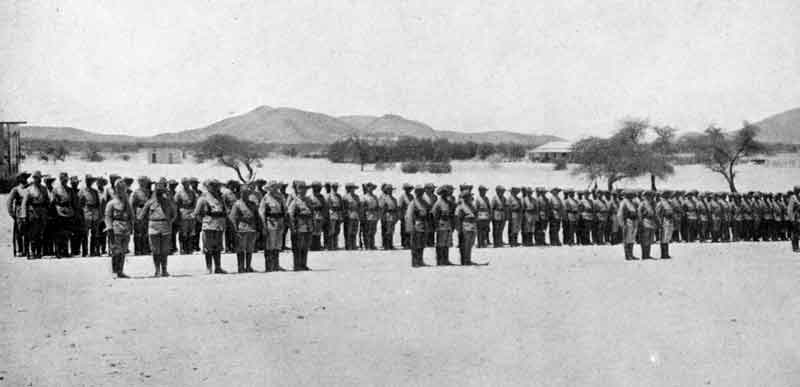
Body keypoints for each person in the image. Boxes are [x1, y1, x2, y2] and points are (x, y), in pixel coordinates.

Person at [138, 178, 177, 277]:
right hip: (153, 227)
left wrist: (170, 222)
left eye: (161, 191)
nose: (159, 193)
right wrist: (147, 223)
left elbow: (174, 214)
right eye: (158, 191)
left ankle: (164, 270)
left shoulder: (168, 202)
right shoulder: (150, 202)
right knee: (155, 251)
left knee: (164, 250)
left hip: (165, 227)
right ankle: (157, 270)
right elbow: (141, 216)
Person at [193, 179, 228, 274]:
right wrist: (204, 222)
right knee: (208, 248)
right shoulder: (203, 198)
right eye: (213, 185)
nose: (215, 187)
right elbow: (196, 213)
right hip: (208, 226)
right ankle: (209, 268)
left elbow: (224, 211)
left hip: (219, 226)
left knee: (218, 248)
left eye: (216, 185)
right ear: (208, 187)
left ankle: (218, 267)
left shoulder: (220, 198)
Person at [104, 179, 134, 278]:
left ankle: (120, 271)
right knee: (116, 252)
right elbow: (108, 217)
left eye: (123, 189)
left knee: (123, 251)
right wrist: (109, 228)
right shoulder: (111, 203)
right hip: (115, 229)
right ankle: (114, 271)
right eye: (119, 189)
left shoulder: (127, 203)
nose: (122, 191)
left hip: (125, 229)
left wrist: (131, 227)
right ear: (116, 190)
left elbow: (131, 216)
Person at [228, 185, 260, 273]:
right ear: (240, 193)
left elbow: (257, 217)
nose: (246, 195)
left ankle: (249, 266)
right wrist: (235, 231)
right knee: (241, 249)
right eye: (244, 193)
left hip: (252, 229)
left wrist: (258, 229)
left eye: (248, 193)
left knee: (250, 249)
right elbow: (233, 218)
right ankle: (241, 267)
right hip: (241, 229)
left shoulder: (253, 204)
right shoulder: (237, 204)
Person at [259, 181, 287, 272]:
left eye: (275, 187)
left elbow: (285, 210)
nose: (274, 189)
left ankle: (276, 265)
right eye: (272, 187)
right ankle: (269, 266)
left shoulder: (281, 197)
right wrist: (264, 226)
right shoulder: (266, 198)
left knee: (278, 245)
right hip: (270, 222)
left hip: (280, 222)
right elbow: (262, 213)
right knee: (269, 245)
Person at [287, 181, 313, 271]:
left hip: (307, 226)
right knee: (297, 247)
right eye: (301, 189)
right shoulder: (294, 202)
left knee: (305, 247)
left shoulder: (308, 200)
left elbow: (311, 213)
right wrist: (293, 228)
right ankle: (297, 265)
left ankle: (303, 264)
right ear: (298, 191)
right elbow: (290, 215)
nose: (304, 191)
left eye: (305, 189)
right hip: (299, 226)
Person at [50, 173, 75, 258]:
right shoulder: (56, 189)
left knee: (67, 233)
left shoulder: (70, 190)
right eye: (63, 179)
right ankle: (58, 251)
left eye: (66, 179)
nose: (65, 181)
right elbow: (52, 202)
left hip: (69, 212)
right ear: (60, 179)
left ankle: (65, 251)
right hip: (59, 212)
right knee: (58, 233)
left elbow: (73, 202)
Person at [405, 185, 430, 267]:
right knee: (415, 245)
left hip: (424, 225)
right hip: (416, 225)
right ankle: (415, 262)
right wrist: (410, 228)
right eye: (418, 192)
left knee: (421, 245)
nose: (420, 193)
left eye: (422, 192)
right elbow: (409, 216)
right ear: (415, 193)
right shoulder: (413, 203)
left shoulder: (424, 202)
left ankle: (420, 260)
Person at [78, 175, 103, 257]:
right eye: (88, 180)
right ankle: (85, 251)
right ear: (86, 181)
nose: (89, 182)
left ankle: (92, 251)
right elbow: (80, 204)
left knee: (94, 233)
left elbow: (98, 203)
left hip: (94, 213)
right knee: (85, 233)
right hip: (86, 212)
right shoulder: (82, 191)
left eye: (91, 181)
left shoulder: (95, 191)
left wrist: (99, 214)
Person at [7, 172, 30, 257]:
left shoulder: (29, 188)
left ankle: (27, 250)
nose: (25, 180)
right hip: (19, 212)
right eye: (23, 178)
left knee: (28, 231)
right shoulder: (15, 189)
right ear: (20, 179)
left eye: (26, 178)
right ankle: (19, 250)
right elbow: (9, 202)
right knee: (19, 232)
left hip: (29, 211)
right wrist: (12, 214)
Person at [431, 185, 454, 266]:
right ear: (440, 194)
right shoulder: (438, 203)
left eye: (446, 193)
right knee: (440, 243)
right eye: (443, 193)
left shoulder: (448, 202)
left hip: (448, 224)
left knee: (446, 243)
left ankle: (446, 259)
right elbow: (434, 215)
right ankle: (440, 260)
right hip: (441, 224)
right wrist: (436, 225)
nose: (445, 194)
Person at [174, 178, 198, 254]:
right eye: (184, 183)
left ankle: (190, 249)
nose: (186, 185)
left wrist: (194, 212)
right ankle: (182, 249)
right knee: (183, 232)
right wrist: (177, 214)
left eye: (187, 183)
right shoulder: (179, 193)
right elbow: (175, 204)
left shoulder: (192, 192)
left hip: (191, 213)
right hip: (183, 213)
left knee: (191, 232)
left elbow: (195, 202)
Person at [455, 191, 479, 265]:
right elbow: (458, 218)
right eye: (468, 196)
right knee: (465, 244)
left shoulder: (472, 205)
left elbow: (475, 213)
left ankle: (468, 259)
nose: (470, 198)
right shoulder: (461, 206)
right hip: (465, 226)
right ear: (465, 198)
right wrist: (459, 229)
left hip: (472, 226)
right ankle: (465, 260)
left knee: (470, 244)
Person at [130, 176, 151, 255]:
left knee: (146, 232)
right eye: (141, 181)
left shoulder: (149, 192)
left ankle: (145, 249)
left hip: (148, 213)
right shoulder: (136, 192)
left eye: (144, 181)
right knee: (138, 233)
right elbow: (132, 204)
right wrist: (133, 216)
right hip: (139, 211)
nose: (143, 183)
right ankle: (138, 250)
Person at [617, 189, 639, 260]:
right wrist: (622, 224)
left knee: (632, 239)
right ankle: (627, 255)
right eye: (631, 195)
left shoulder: (632, 202)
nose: (632, 196)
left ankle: (631, 254)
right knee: (627, 239)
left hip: (633, 221)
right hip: (627, 222)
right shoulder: (624, 202)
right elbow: (620, 214)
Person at [307, 181, 328, 251]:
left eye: (318, 187)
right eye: (315, 187)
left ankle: (317, 245)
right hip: (313, 215)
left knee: (318, 231)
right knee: (312, 231)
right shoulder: (309, 197)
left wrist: (324, 216)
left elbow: (325, 207)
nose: (317, 189)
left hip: (320, 215)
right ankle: (311, 246)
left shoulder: (321, 197)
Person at [655, 190, 676, 259]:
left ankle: (666, 253)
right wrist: (660, 222)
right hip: (664, 221)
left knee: (667, 237)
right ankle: (663, 254)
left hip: (670, 220)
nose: (668, 196)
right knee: (663, 238)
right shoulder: (660, 203)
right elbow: (657, 214)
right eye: (667, 194)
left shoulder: (669, 202)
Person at [378, 184, 399, 250]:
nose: (390, 191)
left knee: (391, 231)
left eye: (391, 190)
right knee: (387, 231)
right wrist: (382, 216)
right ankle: (386, 245)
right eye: (388, 190)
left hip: (392, 215)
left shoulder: (394, 198)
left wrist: (396, 216)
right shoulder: (383, 198)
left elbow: (396, 208)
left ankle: (390, 244)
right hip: (386, 215)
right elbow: (381, 207)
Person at [222, 180, 240, 253]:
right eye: (232, 185)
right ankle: (228, 247)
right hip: (229, 214)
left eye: (234, 185)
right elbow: (223, 203)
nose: (233, 186)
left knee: (235, 231)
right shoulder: (226, 193)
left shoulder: (236, 193)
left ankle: (234, 246)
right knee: (229, 231)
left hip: (236, 214)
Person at [360, 183, 380, 250]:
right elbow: (362, 207)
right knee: (367, 231)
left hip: (374, 216)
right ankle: (367, 245)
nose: (370, 189)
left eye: (371, 188)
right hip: (367, 216)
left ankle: (372, 244)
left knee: (373, 231)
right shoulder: (364, 197)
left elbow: (377, 206)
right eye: (369, 188)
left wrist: (377, 213)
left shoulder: (375, 197)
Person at [326, 182, 343, 250]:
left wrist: (341, 215)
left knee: (337, 231)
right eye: (334, 187)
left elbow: (341, 206)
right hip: (332, 214)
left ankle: (335, 245)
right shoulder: (329, 195)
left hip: (338, 214)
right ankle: (330, 246)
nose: (335, 188)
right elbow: (327, 206)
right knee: (331, 231)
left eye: (336, 187)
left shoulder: (339, 196)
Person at [343, 183, 360, 250]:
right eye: (351, 188)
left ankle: (354, 245)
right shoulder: (345, 197)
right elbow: (344, 207)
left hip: (355, 215)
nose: (353, 190)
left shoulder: (357, 197)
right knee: (348, 232)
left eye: (354, 188)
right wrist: (345, 215)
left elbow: (358, 206)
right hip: (349, 215)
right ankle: (348, 246)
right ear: (348, 189)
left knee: (354, 231)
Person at [397, 183, 414, 249]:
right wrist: (400, 216)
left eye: (409, 189)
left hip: (410, 215)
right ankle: (404, 243)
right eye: (407, 189)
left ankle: (409, 243)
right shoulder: (402, 197)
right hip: (404, 215)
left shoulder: (411, 196)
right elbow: (399, 207)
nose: (409, 190)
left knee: (410, 229)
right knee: (404, 230)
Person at [788, 186, 800, 252]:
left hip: (798, 218)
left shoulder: (799, 197)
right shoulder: (793, 198)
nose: (798, 191)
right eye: (797, 190)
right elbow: (790, 210)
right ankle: (795, 247)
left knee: (798, 233)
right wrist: (792, 219)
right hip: (795, 219)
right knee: (795, 233)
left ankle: (797, 246)